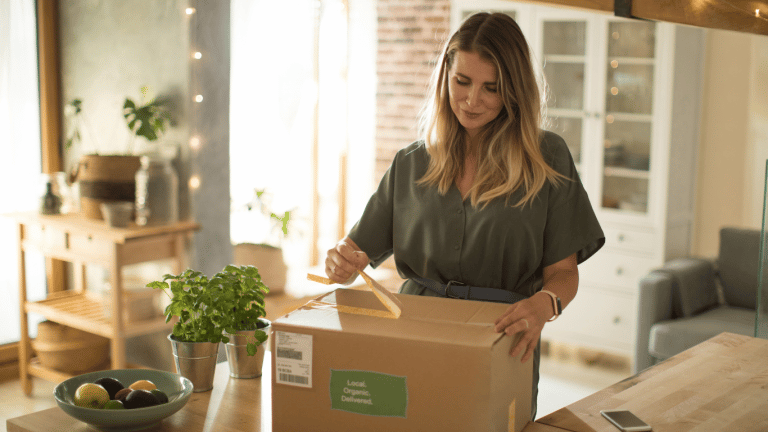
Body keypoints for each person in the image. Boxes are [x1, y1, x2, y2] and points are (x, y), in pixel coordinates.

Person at [324, 12, 605, 419]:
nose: (473, 100)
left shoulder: (548, 159)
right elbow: (352, 257)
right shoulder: (411, 163)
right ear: (446, 78)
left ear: (514, 92)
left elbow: (563, 272)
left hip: (503, 340)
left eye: (491, 88)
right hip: (414, 336)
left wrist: (544, 306)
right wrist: (340, 260)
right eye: (463, 82)